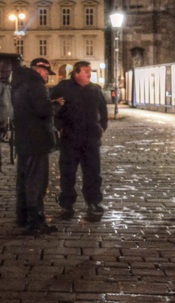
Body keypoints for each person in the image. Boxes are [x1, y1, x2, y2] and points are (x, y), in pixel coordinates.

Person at [50, 60, 109, 220]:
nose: (89, 73)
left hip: (91, 140)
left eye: (90, 70)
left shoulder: (95, 89)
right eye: (85, 71)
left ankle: (93, 203)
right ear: (76, 73)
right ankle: (67, 204)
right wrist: (60, 126)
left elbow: (103, 111)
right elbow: (52, 107)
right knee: (68, 173)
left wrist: (102, 127)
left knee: (93, 173)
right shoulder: (63, 87)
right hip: (70, 139)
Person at [10, 58, 60, 234]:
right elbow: (43, 111)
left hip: (24, 138)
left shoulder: (19, 82)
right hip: (37, 139)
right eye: (47, 72)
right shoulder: (35, 83)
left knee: (24, 180)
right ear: (40, 69)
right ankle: (36, 222)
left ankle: (22, 217)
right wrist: (56, 105)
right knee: (36, 182)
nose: (47, 76)